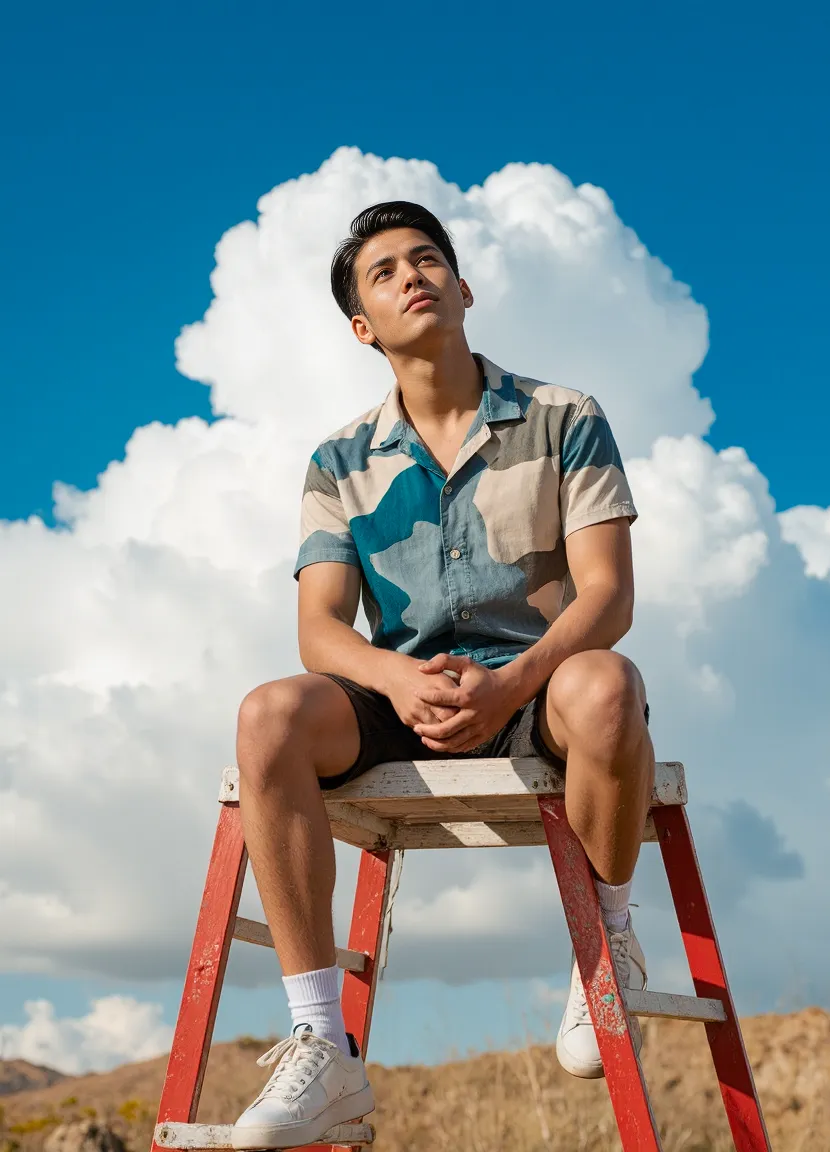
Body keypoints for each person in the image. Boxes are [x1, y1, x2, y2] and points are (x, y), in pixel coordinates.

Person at [230, 201, 655, 1149]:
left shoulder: (564, 418)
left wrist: (513, 684)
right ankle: (322, 1044)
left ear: (463, 288)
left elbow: (608, 595)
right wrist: (392, 677)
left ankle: (606, 953)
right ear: (362, 327)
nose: (411, 276)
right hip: (401, 697)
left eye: (427, 260)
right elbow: (319, 629)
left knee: (608, 685)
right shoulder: (338, 460)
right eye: (383, 273)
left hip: (541, 687)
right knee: (268, 716)